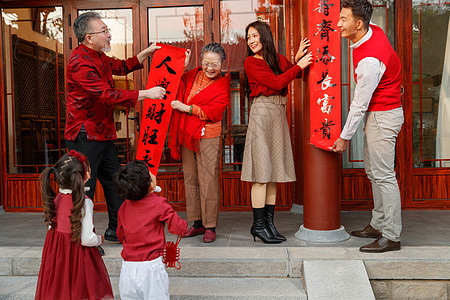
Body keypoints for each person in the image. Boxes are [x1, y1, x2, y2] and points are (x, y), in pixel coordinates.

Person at [65, 12, 166, 243]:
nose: (109, 34)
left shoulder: (99, 56)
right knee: (85, 188)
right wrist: (146, 94)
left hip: (102, 133)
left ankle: (116, 230)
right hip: (84, 135)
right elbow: (106, 94)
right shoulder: (79, 62)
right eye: (104, 31)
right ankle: (83, 237)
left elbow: (121, 66)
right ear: (89, 37)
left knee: (114, 182)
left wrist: (146, 53)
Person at [332, 0, 404, 253]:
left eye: (343, 19)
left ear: (358, 24)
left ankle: (391, 235)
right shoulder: (373, 29)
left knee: (384, 176)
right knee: (374, 173)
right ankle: (378, 224)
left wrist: (344, 137)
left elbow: (359, 104)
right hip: (380, 115)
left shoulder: (369, 62)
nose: (338, 24)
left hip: (383, 117)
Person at [241, 21, 312, 244]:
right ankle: (258, 226)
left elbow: (294, 73)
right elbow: (277, 80)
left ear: (264, 35)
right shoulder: (250, 62)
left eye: (254, 36)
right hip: (262, 113)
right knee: (261, 174)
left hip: (278, 113)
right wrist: (298, 64)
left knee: (273, 174)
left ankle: (269, 224)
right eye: (248, 37)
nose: (251, 41)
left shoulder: (276, 58)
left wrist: (297, 58)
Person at [169, 43, 230, 243]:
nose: (210, 68)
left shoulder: (222, 85)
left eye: (214, 64)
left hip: (208, 135)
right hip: (187, 134)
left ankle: (210, 225)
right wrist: (182, 66)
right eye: (206, 63)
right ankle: (196, 222)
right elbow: (173, 86)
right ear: (200, 62)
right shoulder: (192, 75)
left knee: (208, 179)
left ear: (222, 64)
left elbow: (212, 113)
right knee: (191, 178)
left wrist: (186, 108)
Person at [35, 150, 113, 300]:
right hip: (79, 258)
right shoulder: (85, 202)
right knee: (81, 292)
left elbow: (53, 228)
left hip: (57, 259)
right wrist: (100, 239)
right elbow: (87, 239)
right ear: (85, 176)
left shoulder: (56, 200)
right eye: (88, 169)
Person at [113, 160, 187, 300]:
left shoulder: (124, 207)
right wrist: (184, 226)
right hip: (151, 266)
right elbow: (178, 227)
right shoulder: (158, 203)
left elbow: (120, 234)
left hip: (128, 268)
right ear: (149, 184)